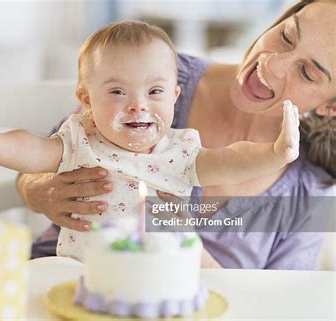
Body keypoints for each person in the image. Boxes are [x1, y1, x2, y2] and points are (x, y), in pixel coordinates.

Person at [17, 0, 335, 269]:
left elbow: (280, 305)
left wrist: (185, 244)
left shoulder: (308, 188)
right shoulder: (155, 77)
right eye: (286, 36)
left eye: (307, 72)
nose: (272, 63)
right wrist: (38, 190)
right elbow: (44, 161)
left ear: (330, 107)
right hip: (63, 284)